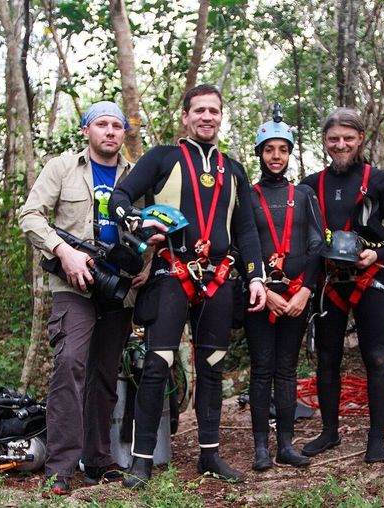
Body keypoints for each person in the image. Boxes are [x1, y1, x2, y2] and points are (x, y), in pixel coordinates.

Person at [108, 84, 267, 488]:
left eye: (214, 110)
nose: (207, 117)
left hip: (219, 277)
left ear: (221, 117)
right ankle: (141, 462)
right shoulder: (162, 157)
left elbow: (247, 229)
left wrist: (256, 277)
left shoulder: (234, 170)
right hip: (171, 272)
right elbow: (119, 197)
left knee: (212, 367)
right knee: (157, 364)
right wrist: (138, 222)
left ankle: (209, 456)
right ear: (185, 117)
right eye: (199, 110)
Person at [18, 101, 147, 496]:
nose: (110, 132)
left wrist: (147, 263)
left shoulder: (136, 175)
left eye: (117, 126)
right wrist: (64, 251)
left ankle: (97, 460)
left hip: (118, 287)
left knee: (105, 374)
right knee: (70, 364)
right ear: (86, 130)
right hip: (73, 286)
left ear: (124, 133)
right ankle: (60, 467)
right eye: (101, 124)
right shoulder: (62, 167)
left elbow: (151, 226)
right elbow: (30, 215)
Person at [298, 108, 384, 463]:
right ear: (324, 141)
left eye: (348, 138)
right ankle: (329, 432)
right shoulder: (309, 185)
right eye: (334, 139)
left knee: (376, 356)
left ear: (360, 139)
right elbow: (299, 235)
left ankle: (376, 439)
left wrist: (378, 254)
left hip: (368, 276)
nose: (341, 145)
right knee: (327, 357)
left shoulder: (381, 182)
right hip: (328, 281)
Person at [245, 107, 324, 471]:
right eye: (269, 150)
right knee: (262, 369)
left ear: (290, 152)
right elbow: (241, 246)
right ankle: (261, 447)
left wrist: (305, 291)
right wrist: (265, 291)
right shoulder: (248, 196)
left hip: (296, 296)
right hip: (261, 296)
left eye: (282, 149)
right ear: (259, 153)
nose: (276, 156)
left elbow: (317, 245)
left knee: (287, 370)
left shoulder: (304, 195)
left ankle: (286, 445)